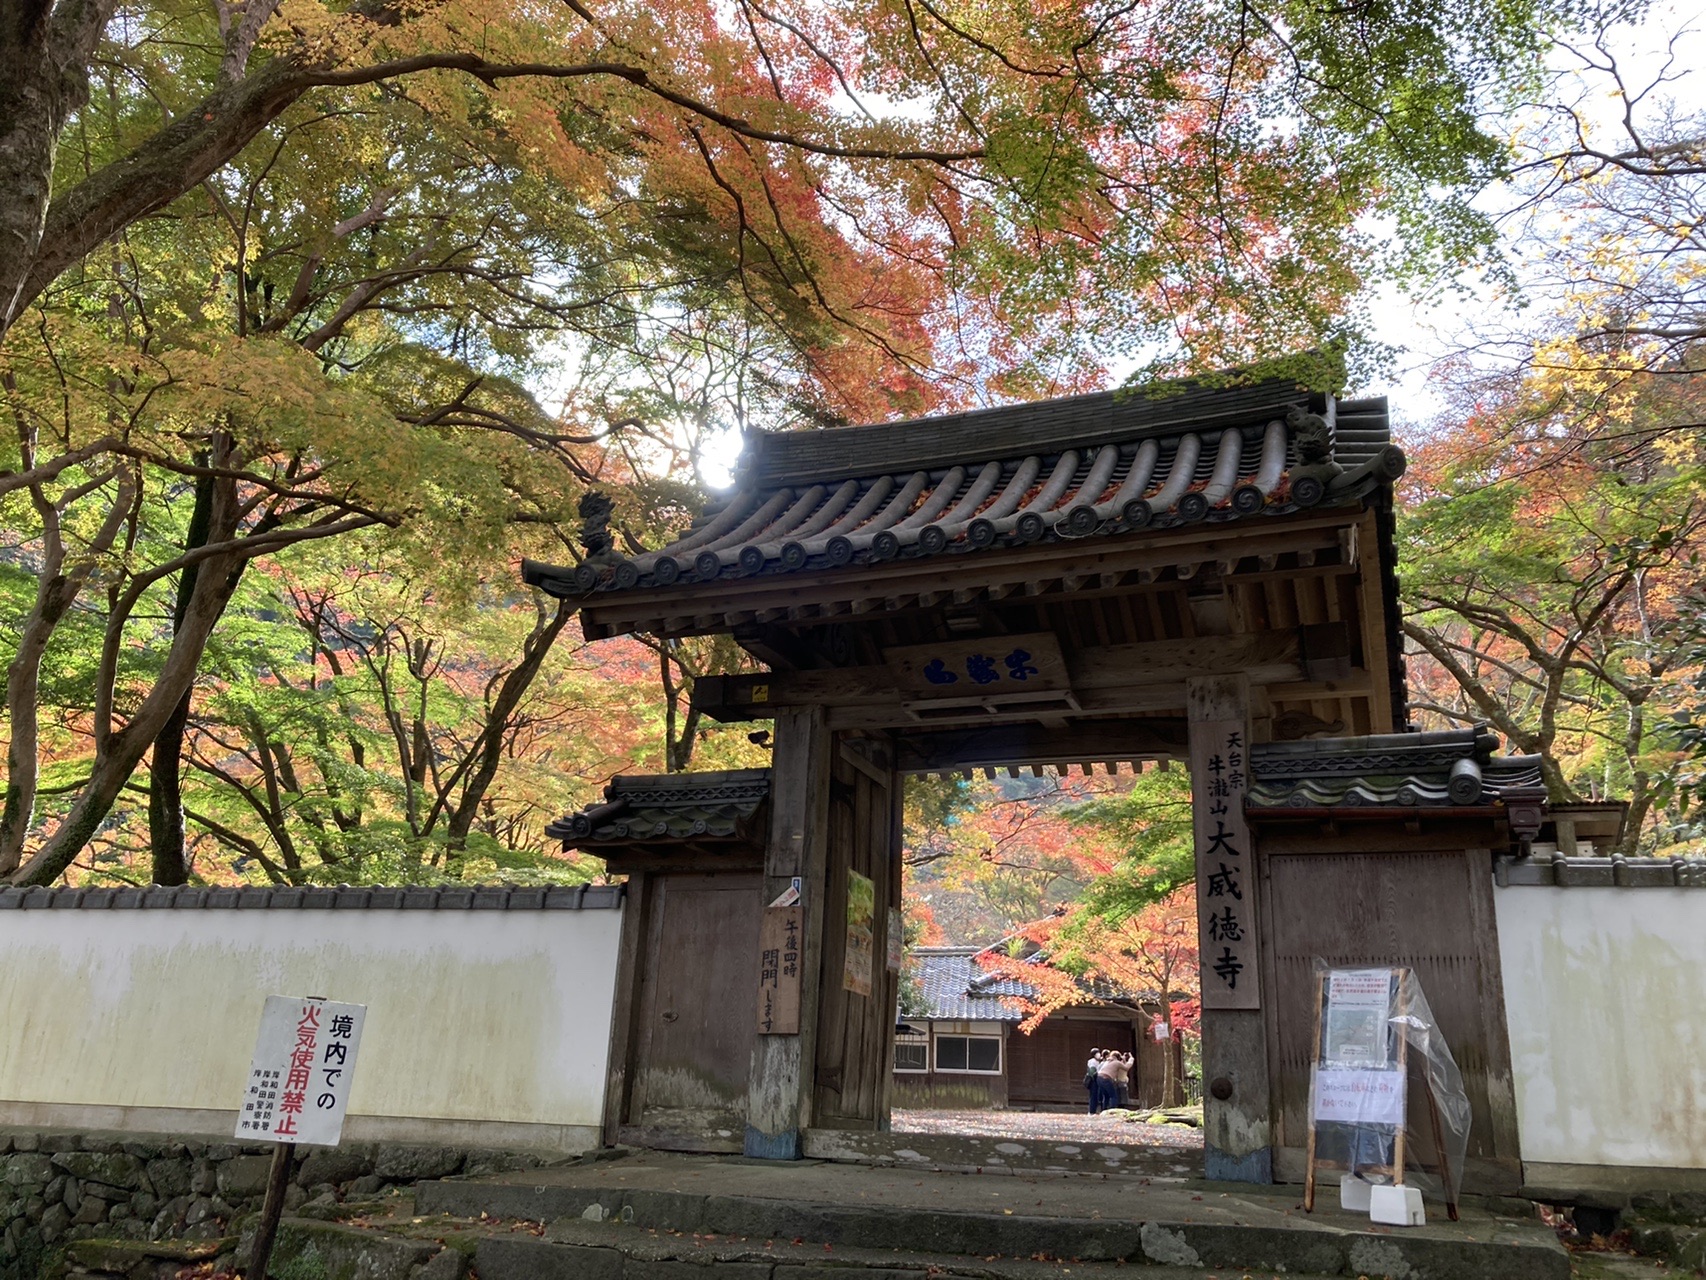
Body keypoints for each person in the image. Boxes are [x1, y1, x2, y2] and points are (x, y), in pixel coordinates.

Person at [1084, 1048, 1103, 1114]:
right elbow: (1092, 1071)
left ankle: (1095, 1110)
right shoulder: (1092, 1061)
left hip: (1097, 1079)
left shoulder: (1099, 1061)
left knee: (1097, 1096)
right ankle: (1092, 1111)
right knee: (1093, 1095)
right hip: (1093, 1080)